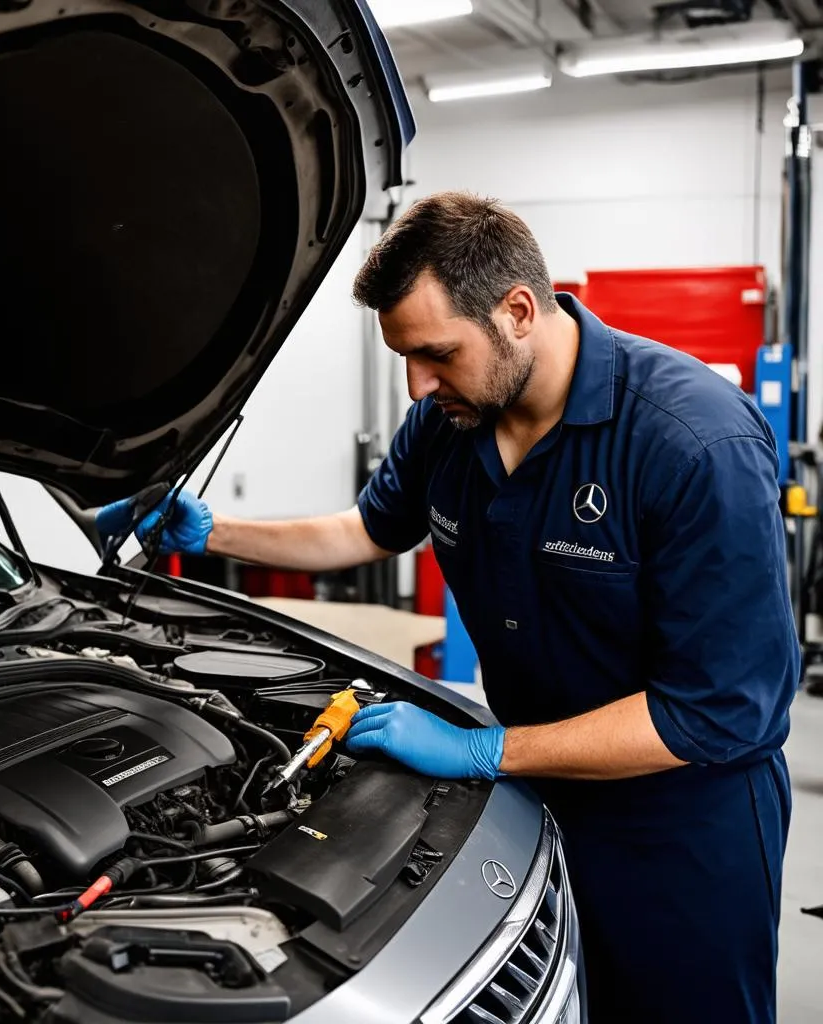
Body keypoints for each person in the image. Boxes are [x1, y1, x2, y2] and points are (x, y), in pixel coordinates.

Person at [96, 192, 798, 1023]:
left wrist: (482, 749)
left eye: (435, 354)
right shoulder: (449, 421)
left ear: (518, 311)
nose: (418, 386)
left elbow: (713, 713)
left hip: (679, 826)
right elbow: (367, 529)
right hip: (536, 789)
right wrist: (215, 530)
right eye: (404, 357)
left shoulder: (692, 443)